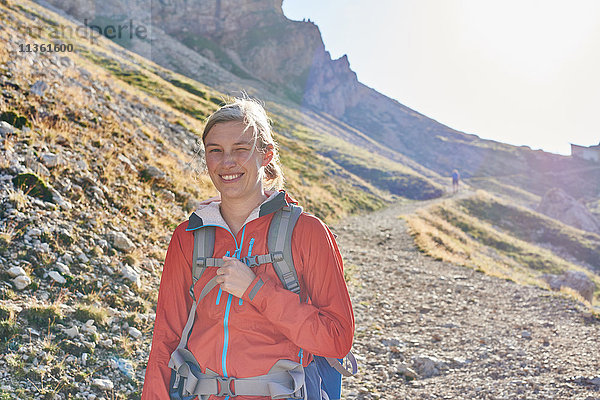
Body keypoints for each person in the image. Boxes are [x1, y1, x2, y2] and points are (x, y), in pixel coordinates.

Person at [141, 98, 355, 399]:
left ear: (266, 154)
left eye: (241, 149)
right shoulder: (188, 237)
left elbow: (337, 339)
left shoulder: (307, 232)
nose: (227, 162)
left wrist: (257, 290)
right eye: (215, 151)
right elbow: (166, 337)